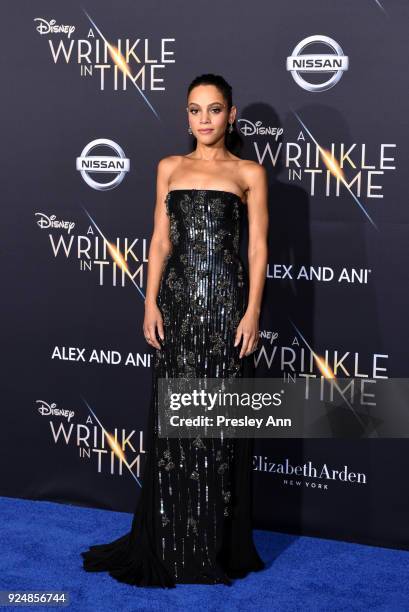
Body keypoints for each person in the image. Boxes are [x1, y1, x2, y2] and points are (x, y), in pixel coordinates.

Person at [81, 73, 269, 587]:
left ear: (231, 115)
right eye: (193, 110)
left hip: (226, 310)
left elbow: (256, 249)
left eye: (213, 110)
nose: (203, 120)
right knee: (174, 426)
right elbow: (159, 242)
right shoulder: (168, 167)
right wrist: (149, 302)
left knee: (218, 429)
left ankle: (214, 542)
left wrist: (252, 311)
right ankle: (169, 540)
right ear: (185, 116)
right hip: (179, 309)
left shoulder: (249, 173)